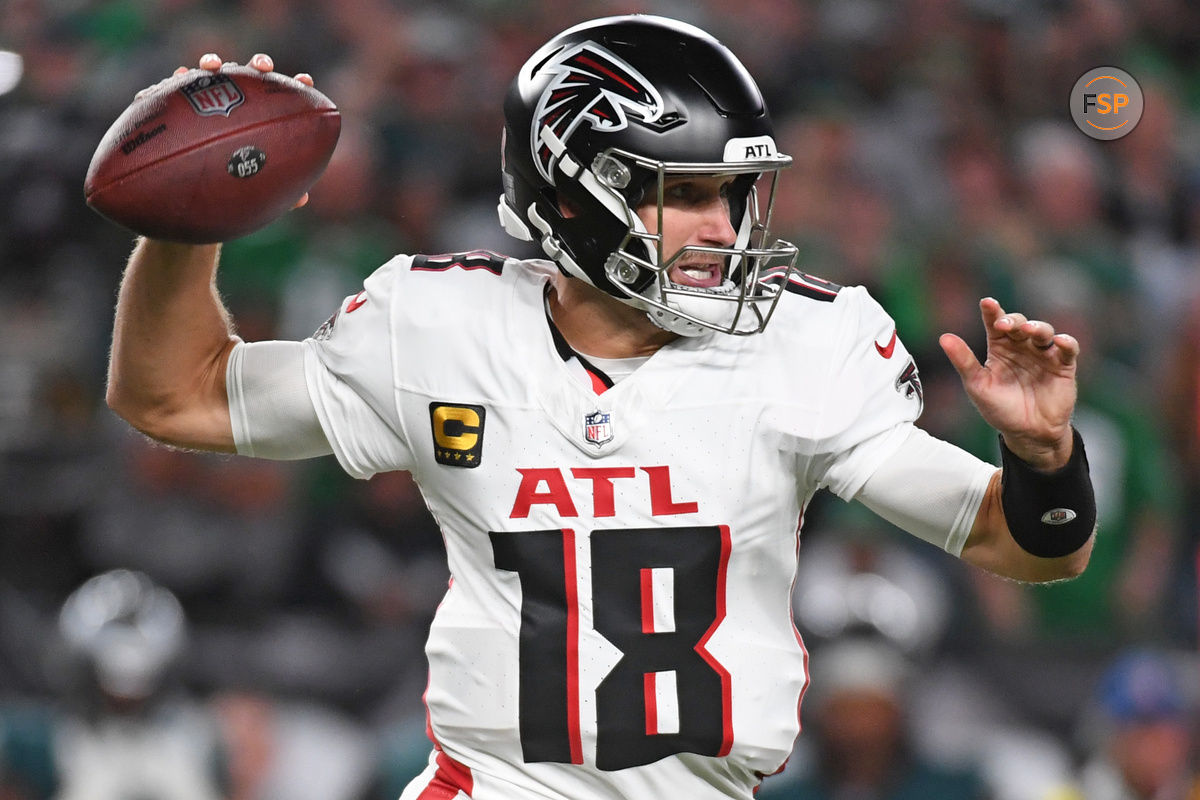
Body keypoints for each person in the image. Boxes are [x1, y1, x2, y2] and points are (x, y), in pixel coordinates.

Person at [102, 14, 1096, 800]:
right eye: (689, 192)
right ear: (573, 194)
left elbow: (1037, 546)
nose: (726, 228)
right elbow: (169, 393)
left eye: (737, 194)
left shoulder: (807, 343)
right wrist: (193, 223)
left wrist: (1044, 451)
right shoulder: (438, 324)